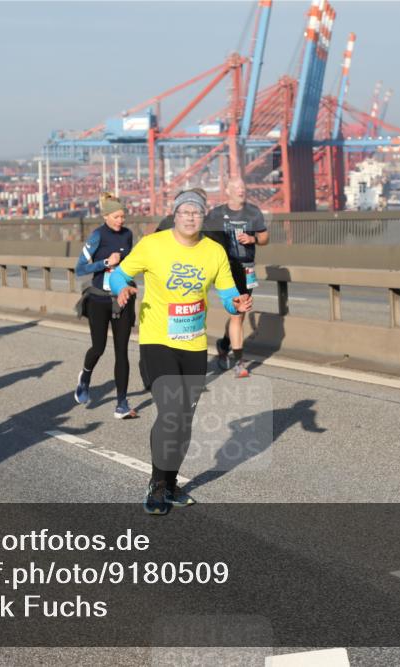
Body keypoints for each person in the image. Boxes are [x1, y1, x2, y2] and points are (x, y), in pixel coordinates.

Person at [110, 190, 251, 515]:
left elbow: (228, 292)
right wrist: (123, 289)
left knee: (184, 421)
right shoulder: (153, 245)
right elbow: (119, 274)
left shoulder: (214, 252)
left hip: (193, 344)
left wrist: (236, 303)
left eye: (197, 212)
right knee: (171, 411)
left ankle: (171, 483)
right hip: (158, 341)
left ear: (204, 217)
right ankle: (157, 485)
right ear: (175, 215)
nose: (190, 217)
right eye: (185, 211)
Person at [73, 192, 137, 419]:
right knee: (98, 348)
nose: (121, 221)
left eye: (123, 216)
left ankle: (121, 403)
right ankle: (86, 376)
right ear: (106, 216)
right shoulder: (97, 236)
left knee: (122, 352)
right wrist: (105, 263)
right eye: (117, 217)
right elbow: (80, 268)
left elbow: (132, 263)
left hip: (121, 301)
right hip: (99, 300)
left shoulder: (128, 235)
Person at [207, 178, 269, 377]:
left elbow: (265, 238)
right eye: (236, 187)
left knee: (238, 315)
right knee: (237, 314)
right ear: (227, 191)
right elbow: (204, 240)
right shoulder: (216, 214)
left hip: (247, 269)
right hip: (226, 269)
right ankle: (239, 363)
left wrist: (253, 239)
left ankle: (224, 345)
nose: (240, 190)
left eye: (243, 187)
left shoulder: (253, 212)